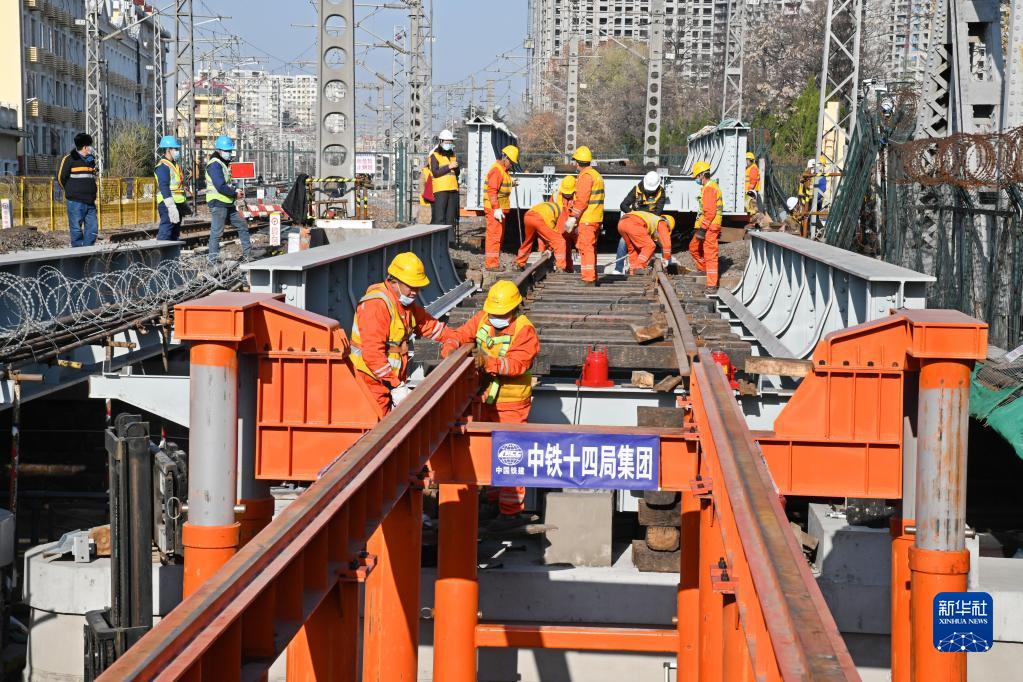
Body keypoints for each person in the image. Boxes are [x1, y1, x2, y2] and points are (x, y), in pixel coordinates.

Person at [440, 280, 539, 525]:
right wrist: (451, 347)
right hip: (485, 400)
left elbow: (517, 365)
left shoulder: (524, 330)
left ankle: (510, 512)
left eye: (501, 314)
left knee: (510, 456)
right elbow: (459, 335)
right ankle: (493, 503)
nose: (496, 318)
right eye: (494, 313)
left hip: (510, 403)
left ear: (514, 309)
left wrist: (487, 363)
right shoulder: (484, 318)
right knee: (488, 453)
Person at [349, 252, 456, 417]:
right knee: (378, 426)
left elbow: (430, 326)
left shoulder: (404, 305)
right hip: (370, 382)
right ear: (395, 281)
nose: (415, 292)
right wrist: (395, 386)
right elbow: (372, 354)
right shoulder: (376, 305)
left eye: (418, 287)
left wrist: (456, 338)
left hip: (388, 380)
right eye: (411, 287)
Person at [609, 170, 666, 274]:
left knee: (656, 243)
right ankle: (618, 269)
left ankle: (663, 264)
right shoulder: (637, 189)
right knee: (623, 242)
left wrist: (646, 218)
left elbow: (658, 212)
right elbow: (623, 205)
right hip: (634, 224)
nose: (649, 192)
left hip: (648, 225)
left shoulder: (661, 193)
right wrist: (634, 214)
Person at [205, 135, 251, 262]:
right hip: (218, 203)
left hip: (227, 203)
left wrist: (235, 190)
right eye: (226, 150)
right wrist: (234, 194)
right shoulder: (214, 165)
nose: (229, 153)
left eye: (230, 150)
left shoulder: (222, 164)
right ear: (219, 150)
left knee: (242, 224)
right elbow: (220, 186)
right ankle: (212, 261)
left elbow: (226, 184)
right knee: (217, 233)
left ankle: (247, 255)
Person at [516, 176, 575, 271]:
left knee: (528, 241)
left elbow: (544, 233)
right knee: (560, 241)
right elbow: (556, 230)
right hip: (542, 218)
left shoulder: (557, 199)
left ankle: (519, 262)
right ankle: (561, 267)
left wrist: (546, 247)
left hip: (528, 215)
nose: (567, 194)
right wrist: (549, 247)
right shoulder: (561, 208)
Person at [565, 146, 604, 286]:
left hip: (588, 218)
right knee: (591, 248)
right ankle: (592, 276)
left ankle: (588, 279)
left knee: (586, 247)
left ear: (578, 162)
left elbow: (582, 200)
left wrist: (573, 217)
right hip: (596, 217)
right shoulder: (596, 175)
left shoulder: (585, 176)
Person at [687, 160, 723, 296]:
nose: (696, 179)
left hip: (710, 226)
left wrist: (702, 229)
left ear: (702, 175)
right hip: (707, 225)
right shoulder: (708, 187)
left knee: (710, 254)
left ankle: (712, 284)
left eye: (696, 176)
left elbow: (710, 213)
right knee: (693, 247)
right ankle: (703, 269)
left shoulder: (709, 188)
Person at [57, 132, 98, 247]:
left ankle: (88, 251)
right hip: (75, 202)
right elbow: (60, 178)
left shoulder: (90, 160)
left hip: (90, 201)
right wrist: (70, 190)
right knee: (76, 229)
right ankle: (78, 252)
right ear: (85, 147)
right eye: (90, 146)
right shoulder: (69, 159)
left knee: (93, 228)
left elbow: (91, 178)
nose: (91, 148)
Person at [483, 145, 519, 270]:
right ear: (505, 158)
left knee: (498, 236)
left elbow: (501, 184)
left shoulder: (503, 171)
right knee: (494, 236)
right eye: (511, 162)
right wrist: (496, 208)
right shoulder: (497, 170)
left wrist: (511, 182)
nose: (512, 165)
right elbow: (492, 191)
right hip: (494, 209)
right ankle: (491, 264)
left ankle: (494, 262)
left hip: (499, 209)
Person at [154, 135, 187, 240]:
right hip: (167, 203)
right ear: (168, 150)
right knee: (166, 231)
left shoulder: (174, 165)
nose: (177, 151)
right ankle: (161, 250)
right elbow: (164, 187)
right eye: (175, 149)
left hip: (177, 203)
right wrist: (171, 206)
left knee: (174, 233)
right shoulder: (163, 166)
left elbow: (177, 185)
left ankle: (173, 251)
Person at [429, 129, 459, 229]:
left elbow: (456, 173)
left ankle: (450, 238)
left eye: (450, 142)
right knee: (440, 218)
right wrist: (449, 167)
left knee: (450, 220)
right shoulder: (435, 155)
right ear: (441, 142)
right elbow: (435, 172)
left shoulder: (453, 155)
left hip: (452, 189)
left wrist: (456, 167)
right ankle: (439, 238)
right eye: (447, 142)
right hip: (440, 190)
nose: (449, 144)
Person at [744, 152, 761, 218]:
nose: (745, 162)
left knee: (751, 209)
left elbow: (753, 181)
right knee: (750, 208)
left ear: (749, 160)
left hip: (751, 192)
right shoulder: (749, 167)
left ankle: (753, 220)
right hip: (750, 191)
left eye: (746, 160)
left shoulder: (753, 168)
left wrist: (749, 191)